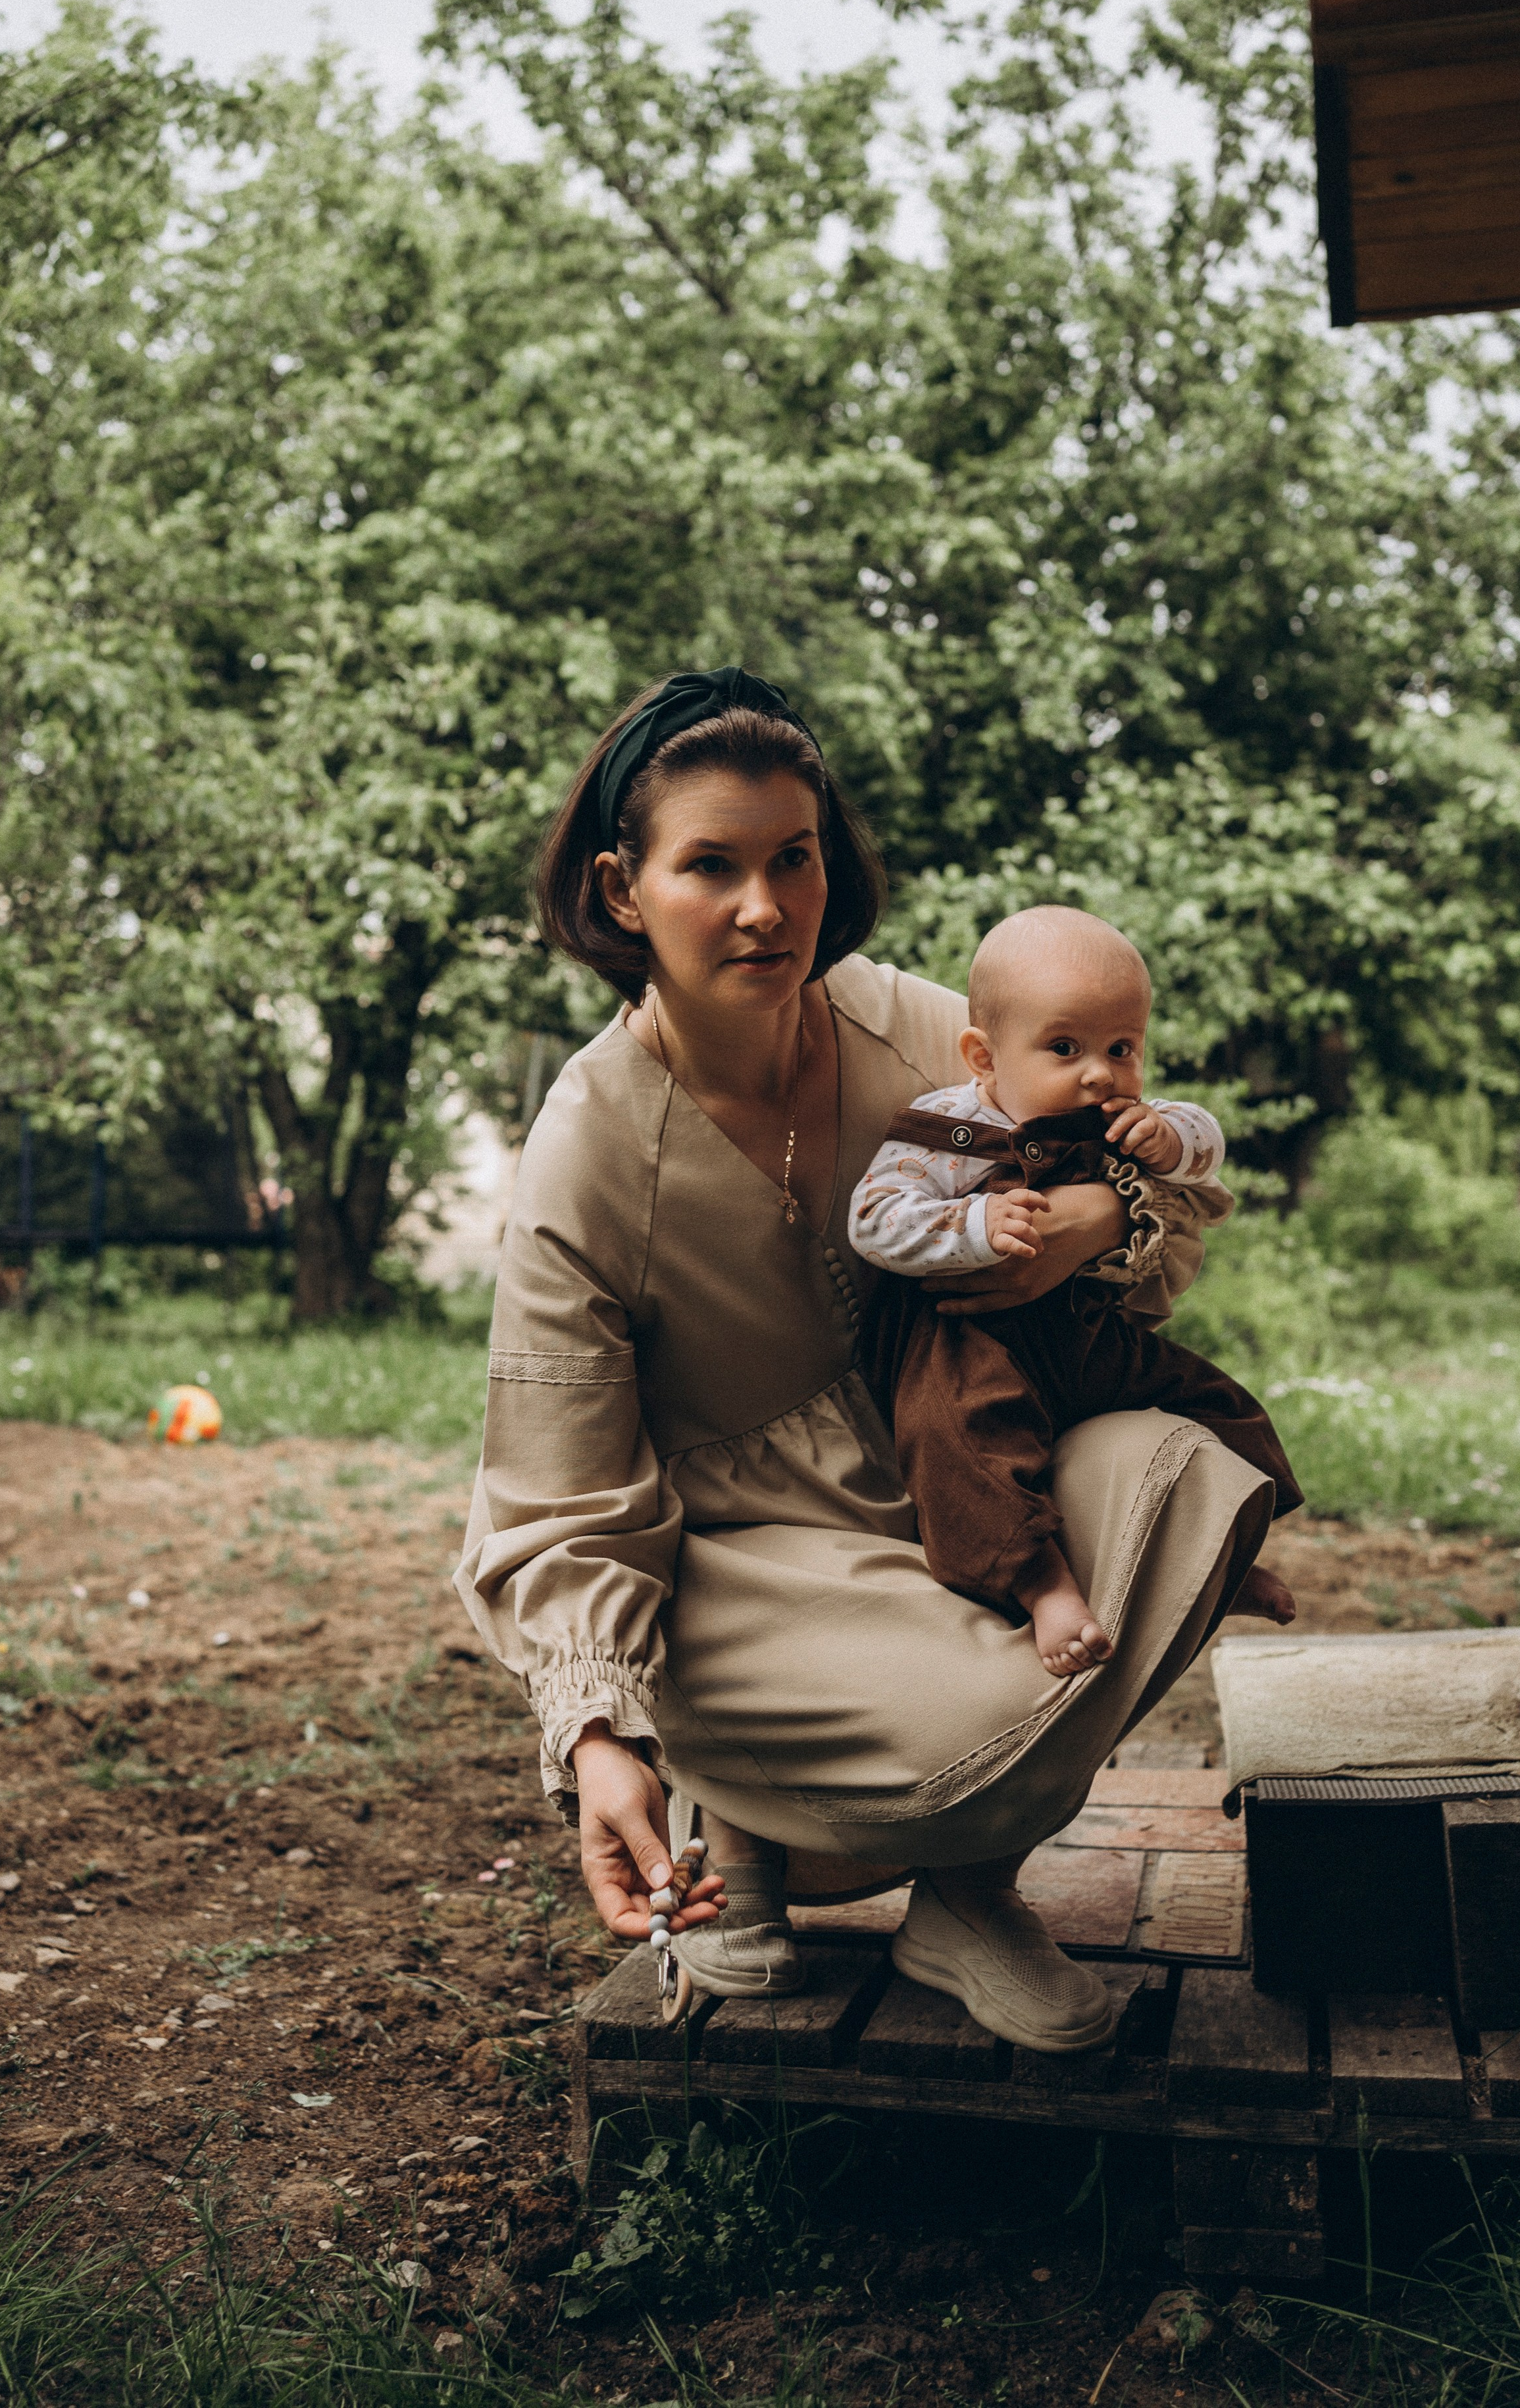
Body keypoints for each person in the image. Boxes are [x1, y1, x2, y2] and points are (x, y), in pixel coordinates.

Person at [454, 666, 1285, 2055]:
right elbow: (557, 1489)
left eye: (793, 858)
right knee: (998, 1714)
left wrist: (1093, 1218)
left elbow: (1136, 1181)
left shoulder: (914, 1028)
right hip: (737, 1559)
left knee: (1181, 1478)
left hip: (950, 1464)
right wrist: (600, 1742)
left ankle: (965, 1896)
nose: (766, 907)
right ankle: (750, 1824)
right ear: (619, 890)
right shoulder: (587, 1145)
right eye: (709, 865)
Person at [849, 905, 1301, 1678]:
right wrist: (973, 1223)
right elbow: (871, 1220)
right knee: (962, 1444)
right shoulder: (947, 1132)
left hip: (1083, 1333)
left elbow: (1203, 1143)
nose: (1099, 1072)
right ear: (983, 1058)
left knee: (1213, 1400)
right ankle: (1041, 1583)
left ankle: (1221, 1554)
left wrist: (1172, 1139)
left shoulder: (1122, 1119)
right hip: (971, 1341)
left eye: (1122, 1048)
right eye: (1065, 1048)